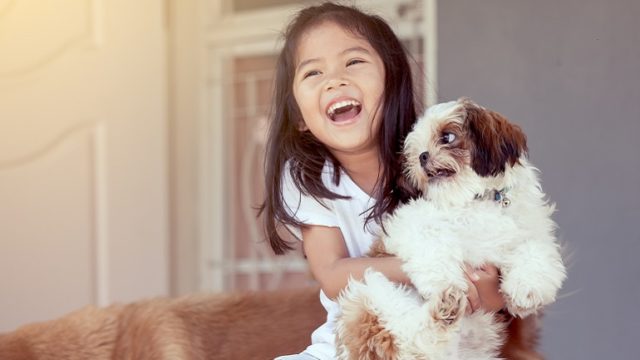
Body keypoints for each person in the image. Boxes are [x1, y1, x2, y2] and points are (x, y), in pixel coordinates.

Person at [260, 3, 506, 359]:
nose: (335, 80)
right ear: (298, 116)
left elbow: (494, 290)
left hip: (441, 345)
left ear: (392, 82)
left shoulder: (435, 160)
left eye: (353, 62)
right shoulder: (307, 176)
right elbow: (331, 273)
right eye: (313, 73)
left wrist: (483, 284)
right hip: (352, 347)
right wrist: (427, 267)